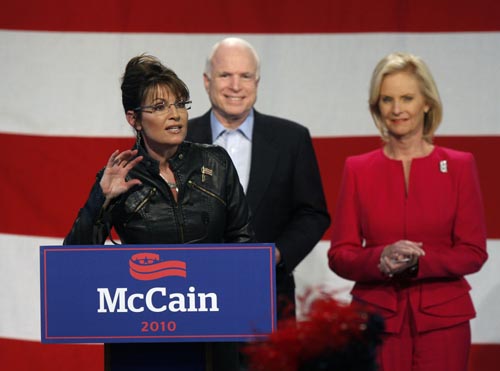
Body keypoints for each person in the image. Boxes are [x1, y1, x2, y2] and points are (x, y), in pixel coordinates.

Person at [64, 54, 254, 370]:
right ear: (134, 119)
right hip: (144, 340)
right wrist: (102, 199)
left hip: (213, 333)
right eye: (159, 107)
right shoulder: (118, 177)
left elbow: (243, 242)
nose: (175, 115)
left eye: (180, 104)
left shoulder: (216, 163)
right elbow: (72, 262)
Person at [328, 52, 488, 371]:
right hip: (377, 320)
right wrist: (380, 259)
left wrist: (419, 262)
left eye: (407, 98)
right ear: (377, 106)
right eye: (387, 99)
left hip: (443, 321)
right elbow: (340, 254)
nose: (397, 109)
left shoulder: (459, 165)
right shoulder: (358, 169)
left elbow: (473, 252)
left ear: (426, 103)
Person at [187, 37, 330, 320]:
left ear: (257, 82)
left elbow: (313, 214)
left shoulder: (292, 139)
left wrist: (277, 256)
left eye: (246, 76)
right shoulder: (179, 141)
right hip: (192, 297)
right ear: (206, 81)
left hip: (270, 297)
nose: (236, 86)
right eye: (225, 75)